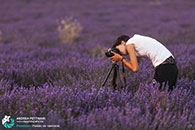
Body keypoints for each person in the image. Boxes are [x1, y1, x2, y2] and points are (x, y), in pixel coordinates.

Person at [108, 34, 178, 92]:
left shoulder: (129, 43)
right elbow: (133, 66)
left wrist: (120, 58)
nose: (120, 53)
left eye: (118, 50)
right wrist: (119, 59)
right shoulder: (136, 42)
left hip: (165, 67)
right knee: (161, 96)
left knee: (158, 97)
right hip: (169, 66)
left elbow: (135, 69)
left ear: (123, 43)